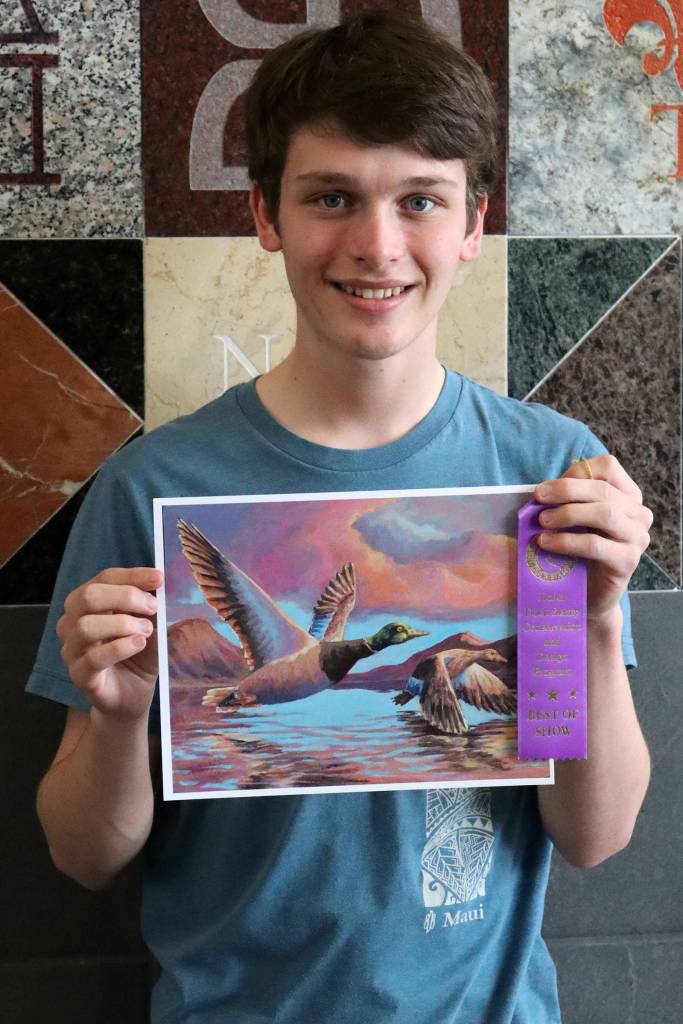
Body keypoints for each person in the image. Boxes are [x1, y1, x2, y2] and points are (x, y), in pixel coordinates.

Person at [27, 11, 651, 1023]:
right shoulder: (152, 487)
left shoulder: (546, 475)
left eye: (420, 200)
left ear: (473, 224)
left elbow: (594, 835)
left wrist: (593, 618)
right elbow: (80, 852)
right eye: (331, 197)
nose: (376, 245)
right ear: (265, 214)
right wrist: (119, 714)